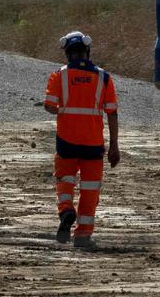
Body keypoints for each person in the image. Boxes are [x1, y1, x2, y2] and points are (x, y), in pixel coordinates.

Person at [43, 30, 119, 249]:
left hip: (66, 142)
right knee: (90, 190)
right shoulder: (104, 78)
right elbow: (112, 113)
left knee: (64, 181)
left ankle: (66, 210)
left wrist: (64, 111)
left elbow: (49, 105)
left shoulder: (59, 75)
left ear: (67, 54)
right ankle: (83, 235)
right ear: (87, 51)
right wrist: (114, 146)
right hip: (93, 145)